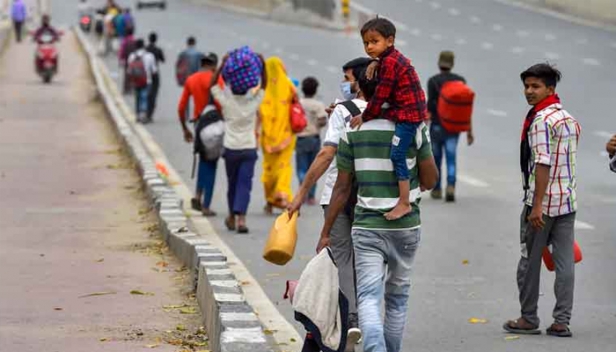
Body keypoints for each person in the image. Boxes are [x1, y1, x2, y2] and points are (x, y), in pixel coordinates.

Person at [320, 71, 438, 352]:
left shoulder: (353, 130)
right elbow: (431, 180)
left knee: (369, 298)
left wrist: (326, 231)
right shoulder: (413, 127)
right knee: (397, 299)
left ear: (362, 90)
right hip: (406, 227)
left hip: (367, 226)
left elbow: (342, 188)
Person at [288, 57, 372, 352]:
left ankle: (349, 320)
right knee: (367, 264)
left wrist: (300, 194)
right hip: (371, 196)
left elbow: (326, 156)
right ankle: (363, 325)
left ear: (360, 81)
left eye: (348, 77)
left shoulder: (344, 112)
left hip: (338, 194)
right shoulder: (388, 112)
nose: (345, 83)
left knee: (339, 261)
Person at [503, 63, 581, 338]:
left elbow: (543, 164)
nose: (529, 91)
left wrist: (536, 206)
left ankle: (528, 317)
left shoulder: (540, 121)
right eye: (527, 86)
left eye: (535, 86)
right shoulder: (569, 119)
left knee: (529, 262)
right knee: (565, 264)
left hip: (542, 205)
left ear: (550, 88)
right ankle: (562, 321)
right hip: (567, 202)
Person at [350, 17, 427, 221]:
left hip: (409, 114)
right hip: (400, 109)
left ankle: (404, 202)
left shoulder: (390, 63)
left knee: (397, 154)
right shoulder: (387, 59)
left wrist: (364, 117)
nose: (369, 47)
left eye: (374, 42)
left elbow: (381, 94)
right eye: (366, 43)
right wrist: (376, 62)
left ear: (390, 41)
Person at [210, 53, 267, 234]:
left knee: (232, 183)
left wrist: (222, 63)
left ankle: (232, 216)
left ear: (232, 87)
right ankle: (241, 219)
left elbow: (213, 85)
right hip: (248, 149)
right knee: (245, 184)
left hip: (231, 149)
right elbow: (264, 85)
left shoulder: (227, 102)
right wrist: (263, 64)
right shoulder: (253, 102)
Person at [178, 54, 224, 216]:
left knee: (203, 160)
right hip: (214, 125)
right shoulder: (217, 80)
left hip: (198, 126)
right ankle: (206, 205)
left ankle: (198, 195)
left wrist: (185, 129)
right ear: (213, 66)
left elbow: (181, 107)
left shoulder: (191, 80)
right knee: (211, 164)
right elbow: (221, 104)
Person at [427, 51, 474, 202]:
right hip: (453, 127)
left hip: (436, 126)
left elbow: (430, 106)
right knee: (451, 157)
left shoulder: (433, 81)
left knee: (436, 158)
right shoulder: (460, 81)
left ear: (439, 63)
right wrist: (469, 131)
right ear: (452, 64)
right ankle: (451, 186)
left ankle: (436, 189)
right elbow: (465, 108)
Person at [260, 57, 296, 214]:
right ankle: (282, 195)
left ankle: (270, 201)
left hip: (268, 137)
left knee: (269, 169)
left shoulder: (261, 89)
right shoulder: (289, 86)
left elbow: (258, 115)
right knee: (283, 166)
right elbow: (297, 104)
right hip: (287, 135)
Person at [295, 77, 327, 205]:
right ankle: (311, 196)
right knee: (313, 168)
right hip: (314, 138)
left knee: (301, 168)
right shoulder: (318, 105)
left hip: (301, 138)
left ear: (302, 89)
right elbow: (322, 120)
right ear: (315, 90)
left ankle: (302, 192)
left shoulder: (298, 103)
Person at [127, 39, 157, 123]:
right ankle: (144, 115)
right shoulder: (149, 56)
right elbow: (154, 70)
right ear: (143, 46)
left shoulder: (131, 56)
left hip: (135, 81)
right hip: (147, 81)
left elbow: (129, 71)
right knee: (144, 97)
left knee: (137, 98)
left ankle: (138, 115)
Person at [176, 37, 205, 117]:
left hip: (186, 78)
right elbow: (204, 66)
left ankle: (186, 114)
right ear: (194, 43)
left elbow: (178, 66)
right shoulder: (199, 54)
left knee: (186, 96)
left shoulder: (182, 54)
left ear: (187, 43)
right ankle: (198, 113)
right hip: (196, 77)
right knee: (197, 96)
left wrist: (178, 78)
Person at [146, 32, 165, 121]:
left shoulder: (145, 49)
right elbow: (163, 60)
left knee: (146, 94)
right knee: (154, 94)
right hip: (155, 74)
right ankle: (150, 114)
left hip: (145, 73)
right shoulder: (158, 50)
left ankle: (146, 112)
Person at [118, 27, 135, 94]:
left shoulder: (125, 41)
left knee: (126, 75)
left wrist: (120, 59)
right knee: (133, 74)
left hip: (127, 59)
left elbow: (122, 51)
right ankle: (131, 88)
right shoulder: (134, 40)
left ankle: (126, 89)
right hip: (133, 60)